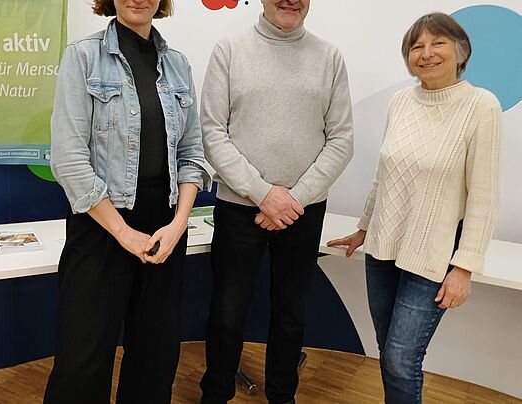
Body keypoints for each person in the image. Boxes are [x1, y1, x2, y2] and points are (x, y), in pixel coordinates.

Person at [327, 12, 501, 404]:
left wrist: (464, 267)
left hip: (434, 254)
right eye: (416, 46)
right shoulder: (402, 100)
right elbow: (384, 176)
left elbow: (484, 196)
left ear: (461, 51)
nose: (426, 53)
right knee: (389, 353)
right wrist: (364, 227)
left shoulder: (480, 106)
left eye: (437, 43)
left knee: (402, 357)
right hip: (384, 246)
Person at [44, 0, 209, 403]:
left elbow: (192, 154)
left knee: (156, 357)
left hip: (164, 226)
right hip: (101, 224)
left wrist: (177, 224)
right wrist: (123, 232)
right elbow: (68, 159)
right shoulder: (83, 57)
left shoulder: (178, 65)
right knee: (82, 360)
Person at [200, 1, 354, 402]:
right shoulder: (229, 50)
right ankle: (216, 393)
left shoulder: (329, 57)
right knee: (227, 312)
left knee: (291, 312)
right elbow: (213, 133)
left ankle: (282, 394)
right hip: (239, 207)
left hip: (303, 211)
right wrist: (263, 194)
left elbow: (341, 140)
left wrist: (292, 199)